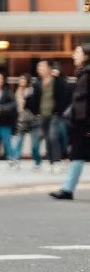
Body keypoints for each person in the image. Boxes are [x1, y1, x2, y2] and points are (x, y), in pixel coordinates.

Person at [51, 44, 90, 200]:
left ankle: (67, 189)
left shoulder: (88, 74)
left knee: (77, 154)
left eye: (77, 52)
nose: (74, 55)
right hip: (81, 121)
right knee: (77, 154)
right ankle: (67, 189)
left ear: (86, 55)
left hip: (86, 122)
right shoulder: (83, 73)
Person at [27, 59, 69, 173]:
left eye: (42, 66)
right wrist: (36, 112)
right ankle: (51, 161)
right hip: (43, 115)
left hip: (55, 114)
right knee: (47, 139)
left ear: (49, 68)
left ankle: (56, 161)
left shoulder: (58, 82)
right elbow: (35, 99)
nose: (39, 69)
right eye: (38, 67)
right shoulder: (38, 83)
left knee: (53, 137)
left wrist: (60, 111)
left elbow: (65, 97)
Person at [14, 73, 41, 170]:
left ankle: (37, 162)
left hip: (32, 118)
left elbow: (34, 103)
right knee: (19, 140)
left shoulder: (31, 90)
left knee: (35, 143)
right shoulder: (17, 91)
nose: (22, 82)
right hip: (22, 119)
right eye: (20, 80)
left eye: (24, 80)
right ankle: (16, 159)